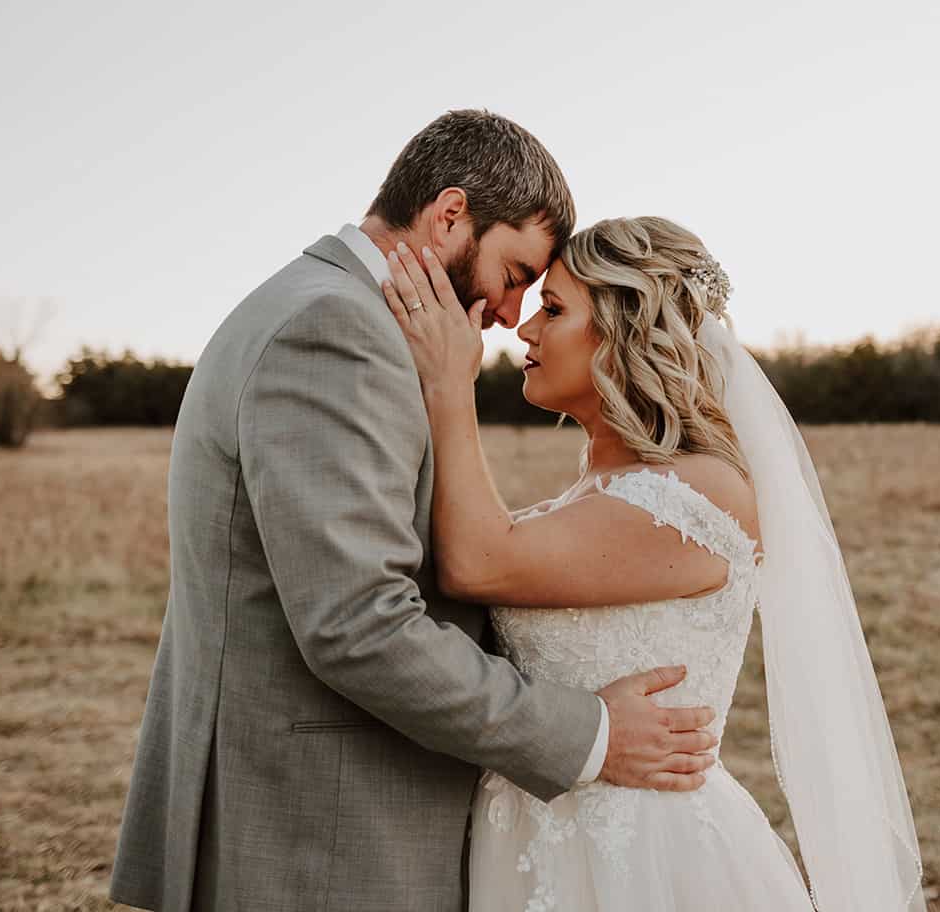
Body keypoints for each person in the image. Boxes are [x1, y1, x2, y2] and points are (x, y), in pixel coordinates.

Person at [107, 112, 720, 912]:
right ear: (450, 214)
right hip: (323, 827)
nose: (508, 315)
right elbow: (358, 624)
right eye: (513, 273)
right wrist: (589, 735)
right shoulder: (336, 329)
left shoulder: (321, 307)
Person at [379, 215, 926, 911]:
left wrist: (448, 386)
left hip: (645, 859)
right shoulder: (591, 491)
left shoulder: (698, 495)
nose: (526, 331)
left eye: (553, 310)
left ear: (624, 331)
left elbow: (479, 564)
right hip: (528, 841)